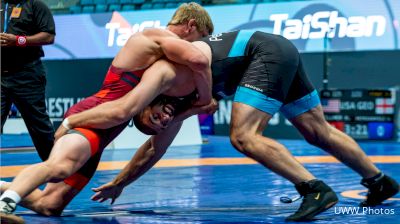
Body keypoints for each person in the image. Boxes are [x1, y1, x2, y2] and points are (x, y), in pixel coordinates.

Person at [57, 30, 399, 222]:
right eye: (159, 124)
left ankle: (314, 189)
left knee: (243, 136)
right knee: (316, 132)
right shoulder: (173, 108)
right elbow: (152, 151)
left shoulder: (160, 76)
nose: (161, 121)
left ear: (148, 107)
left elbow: (125, 108)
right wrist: (119, 184)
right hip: (277, 50)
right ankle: (379, 181)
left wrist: (71, 120)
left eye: (153, 118)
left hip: (263, 51)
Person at [0, 2, 214, 222]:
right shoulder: (156, 36)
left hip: (109, 127)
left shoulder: (165, 57)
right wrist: (206, 99)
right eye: (203, 36)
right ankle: (4, 206)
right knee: (58, 167)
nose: (202, 43)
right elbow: (199, 59)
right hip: (96, 114)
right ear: (190, 25)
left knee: (50, 204)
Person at [1, 0, 56, 161]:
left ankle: (57, 168)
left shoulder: (35, 5)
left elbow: (49, 36)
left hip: (27, 74)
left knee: (40, 129)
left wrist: (18, 40)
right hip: (1, 75)